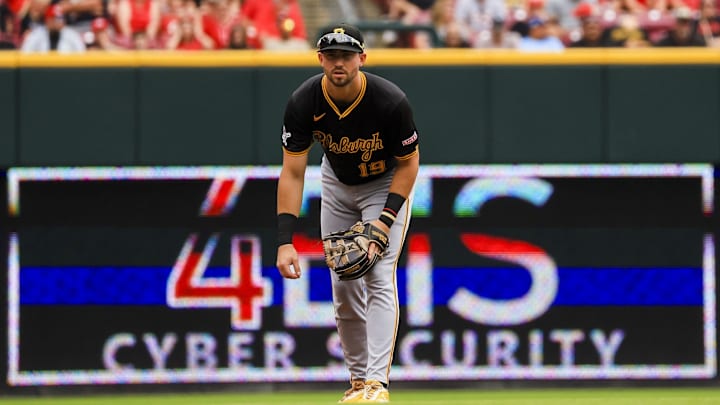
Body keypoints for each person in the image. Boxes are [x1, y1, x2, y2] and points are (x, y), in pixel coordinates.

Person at [275, 23, 420, 404]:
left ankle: (377, 384)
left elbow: (408, 165)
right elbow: (292, 172)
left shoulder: (389, 100)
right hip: (337, 183)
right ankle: (358, 382)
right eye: (331, 55)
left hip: (384, 183)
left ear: (362, 58)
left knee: (377, 273)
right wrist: (284, 241)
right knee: (343, 280)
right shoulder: (305, 101)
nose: (339, 62)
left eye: (346, 54)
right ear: (320, 58)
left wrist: (383, 222)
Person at [21, 3, 85, 52]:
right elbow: (25, 52)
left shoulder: (72, 35)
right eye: (54, 19)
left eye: (59, 19)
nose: (57, 22)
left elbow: (82, 55)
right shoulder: (36, 34)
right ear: (47, 20)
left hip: (66, 68)